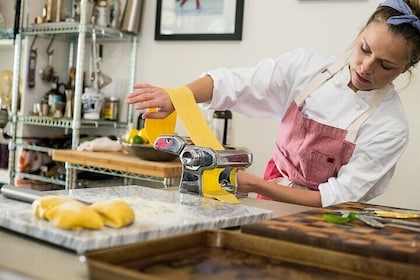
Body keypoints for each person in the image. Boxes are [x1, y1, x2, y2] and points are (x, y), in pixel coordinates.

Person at [127, 0, 420, 207]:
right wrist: (177, 97)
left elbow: (337, 197)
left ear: (406, 68)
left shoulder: (389, 125)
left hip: (329, 222)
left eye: (385, 65)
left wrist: (254, 184)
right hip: (269, 205)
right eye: (364, 49)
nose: (366, 67)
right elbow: (237, 83)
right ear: (358, 35)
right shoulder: (307, 69)